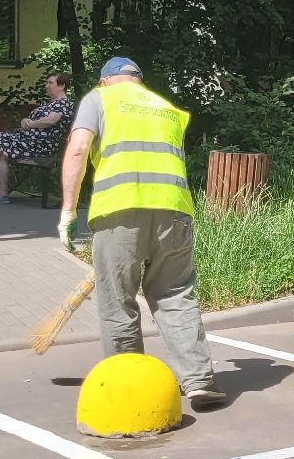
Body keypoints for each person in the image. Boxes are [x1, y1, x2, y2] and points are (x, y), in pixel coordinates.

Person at [59, 57, 224, 410]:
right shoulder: (166, 108)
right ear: (139, 80)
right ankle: (198, 381)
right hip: (175, 211)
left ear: (105, 80)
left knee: (118, 300)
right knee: (175, 295)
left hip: (120, 211)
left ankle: (130, 386)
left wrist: (68, 211)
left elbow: (78, 149)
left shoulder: (99, 99)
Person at [0, 72, 74, 204]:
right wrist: (25, 121)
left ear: (61, 86)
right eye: (46, 83)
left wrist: (31, 124)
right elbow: (34, 121)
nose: (46, 86)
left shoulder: (63, 103)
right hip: (28, 141)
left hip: (41, 146)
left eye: (50, 83)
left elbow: (50, 120)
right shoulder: (48, 103)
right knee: (0, 151)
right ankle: (1, 194)